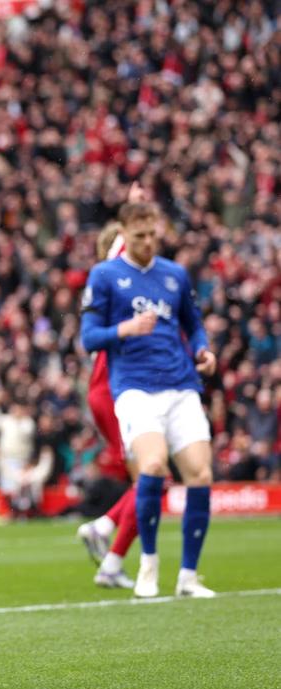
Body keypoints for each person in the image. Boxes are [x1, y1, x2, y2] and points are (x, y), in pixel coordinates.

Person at [80, 201, 217, 599]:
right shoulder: (106, 275)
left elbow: (194, 324)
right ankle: (147, 565)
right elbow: (89, 337)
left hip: (181, 383)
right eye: (137, 236)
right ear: (124, 234)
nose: (146, 242)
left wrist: (203, 351)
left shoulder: (174, 274)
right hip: (134, 387)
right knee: (153, 466)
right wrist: (127, 328)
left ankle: (188, 576)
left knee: (200, 474)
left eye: (151, 234)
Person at [75, 219, 139, 590]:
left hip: (113, 391)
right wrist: (137, 206)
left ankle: (114, 552)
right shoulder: (113, 281)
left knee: (151, 481)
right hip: (113, 391)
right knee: (152, 478)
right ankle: (107, 538)